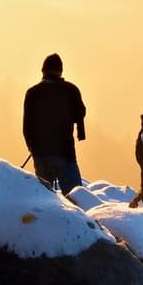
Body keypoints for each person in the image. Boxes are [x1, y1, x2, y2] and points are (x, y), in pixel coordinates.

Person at [23, 52, 86, 193]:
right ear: (60, 70)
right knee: (74, 196)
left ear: (43, 71)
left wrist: (32, 148)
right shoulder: (70, 90)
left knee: (45, 198)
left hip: (40, 154)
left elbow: (27, 126)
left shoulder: (33, 93)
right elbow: (80, 114)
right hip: (65, 153)